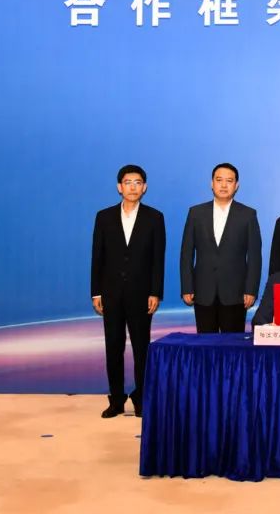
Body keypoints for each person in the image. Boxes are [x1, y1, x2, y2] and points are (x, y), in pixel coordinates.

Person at [91, 164, 165, 418]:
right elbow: (97, 257)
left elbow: (157, 259)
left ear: (144, 187)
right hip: (111, 294)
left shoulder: (155, 217)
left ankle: (141, 397)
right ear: (119, 187)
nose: (133, 187)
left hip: (141, 295)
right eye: (128, 182)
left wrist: (155, 292)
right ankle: (116, 399)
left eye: (138, 183)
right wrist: (96, 292)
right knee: (113, 347)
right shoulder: (104, 217)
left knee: (142, 348)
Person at [180, 163, 262, 333]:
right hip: (203, 291)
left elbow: (255, 256)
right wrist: (187, 287)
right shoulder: (196, 213)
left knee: (232, 344)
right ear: (212, 183)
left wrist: (251, 290)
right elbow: (186, 253)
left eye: (229, 181)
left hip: (236, 293)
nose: (224, 185)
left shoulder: (248, 215)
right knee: (205, 344)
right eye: (219, 180)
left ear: (236, 185)